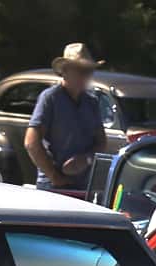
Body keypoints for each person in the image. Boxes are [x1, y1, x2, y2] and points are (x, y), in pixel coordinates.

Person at [25, 43, 107, 192]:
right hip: (53, 186)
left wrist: (87, 158)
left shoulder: (91, 102)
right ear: (65, 70)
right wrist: (54, 176)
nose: (85, 75)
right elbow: (31, 142)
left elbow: (101, 142)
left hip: (84, 186)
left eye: (88, 71)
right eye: (80, 70)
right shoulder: (50, 98)